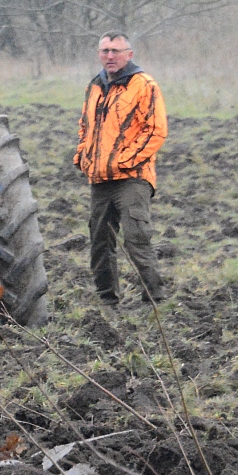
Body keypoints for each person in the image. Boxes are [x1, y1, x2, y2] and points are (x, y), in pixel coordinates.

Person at [75, 32, 169, 305]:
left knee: (136, 238)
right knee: (100, 242)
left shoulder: (144, 85)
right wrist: (82, 156)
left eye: (115, 51)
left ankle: (155, 300)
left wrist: (124, 161)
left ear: (129, 54)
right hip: (100, 178)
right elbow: (85, 126)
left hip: (133, 178)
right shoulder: (95, 86)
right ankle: (108, 301)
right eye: (105, 50)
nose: (110, 56)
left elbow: (156, 131)